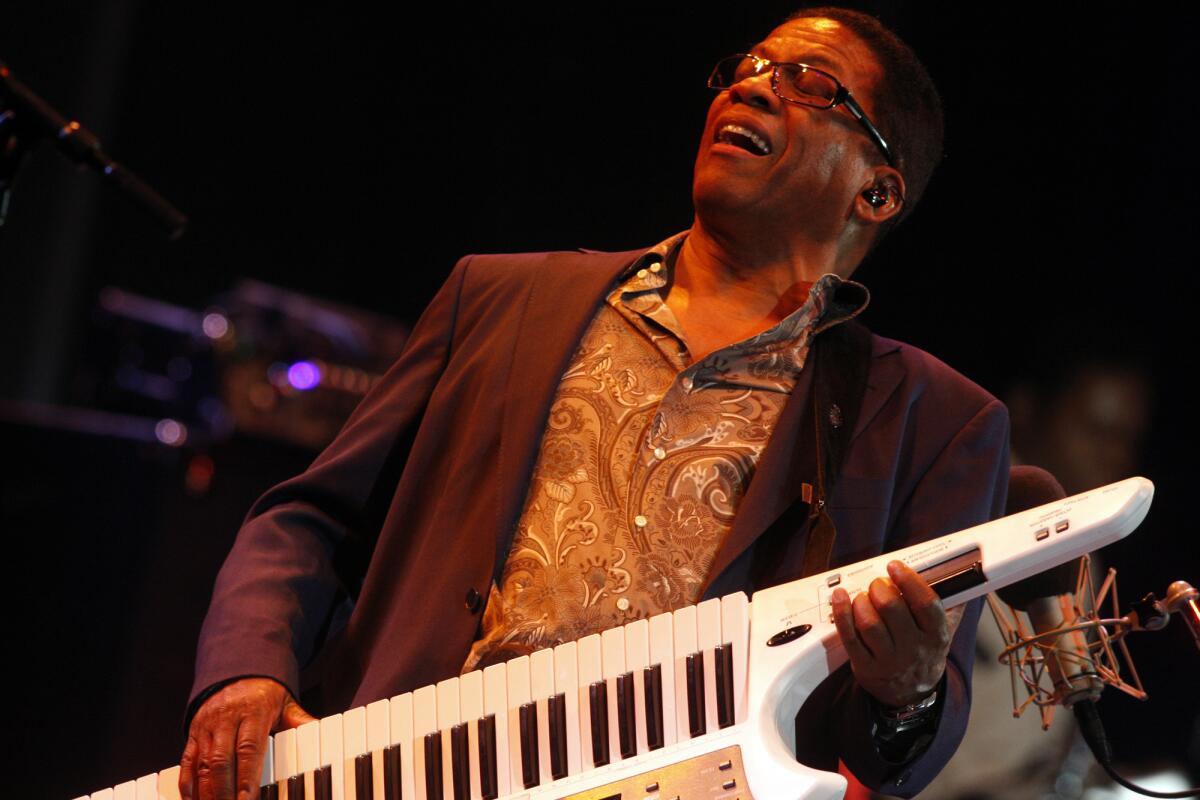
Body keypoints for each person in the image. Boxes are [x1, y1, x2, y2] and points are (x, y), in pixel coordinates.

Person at [179, 8, 1010, 800]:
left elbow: (902, 751)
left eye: (810, 84)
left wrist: (909, 691)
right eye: (749, 68)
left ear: (877, 192)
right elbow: (310, 520)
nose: (753, 86)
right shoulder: (501, 297)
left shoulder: (936, 423)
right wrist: (246, 668)